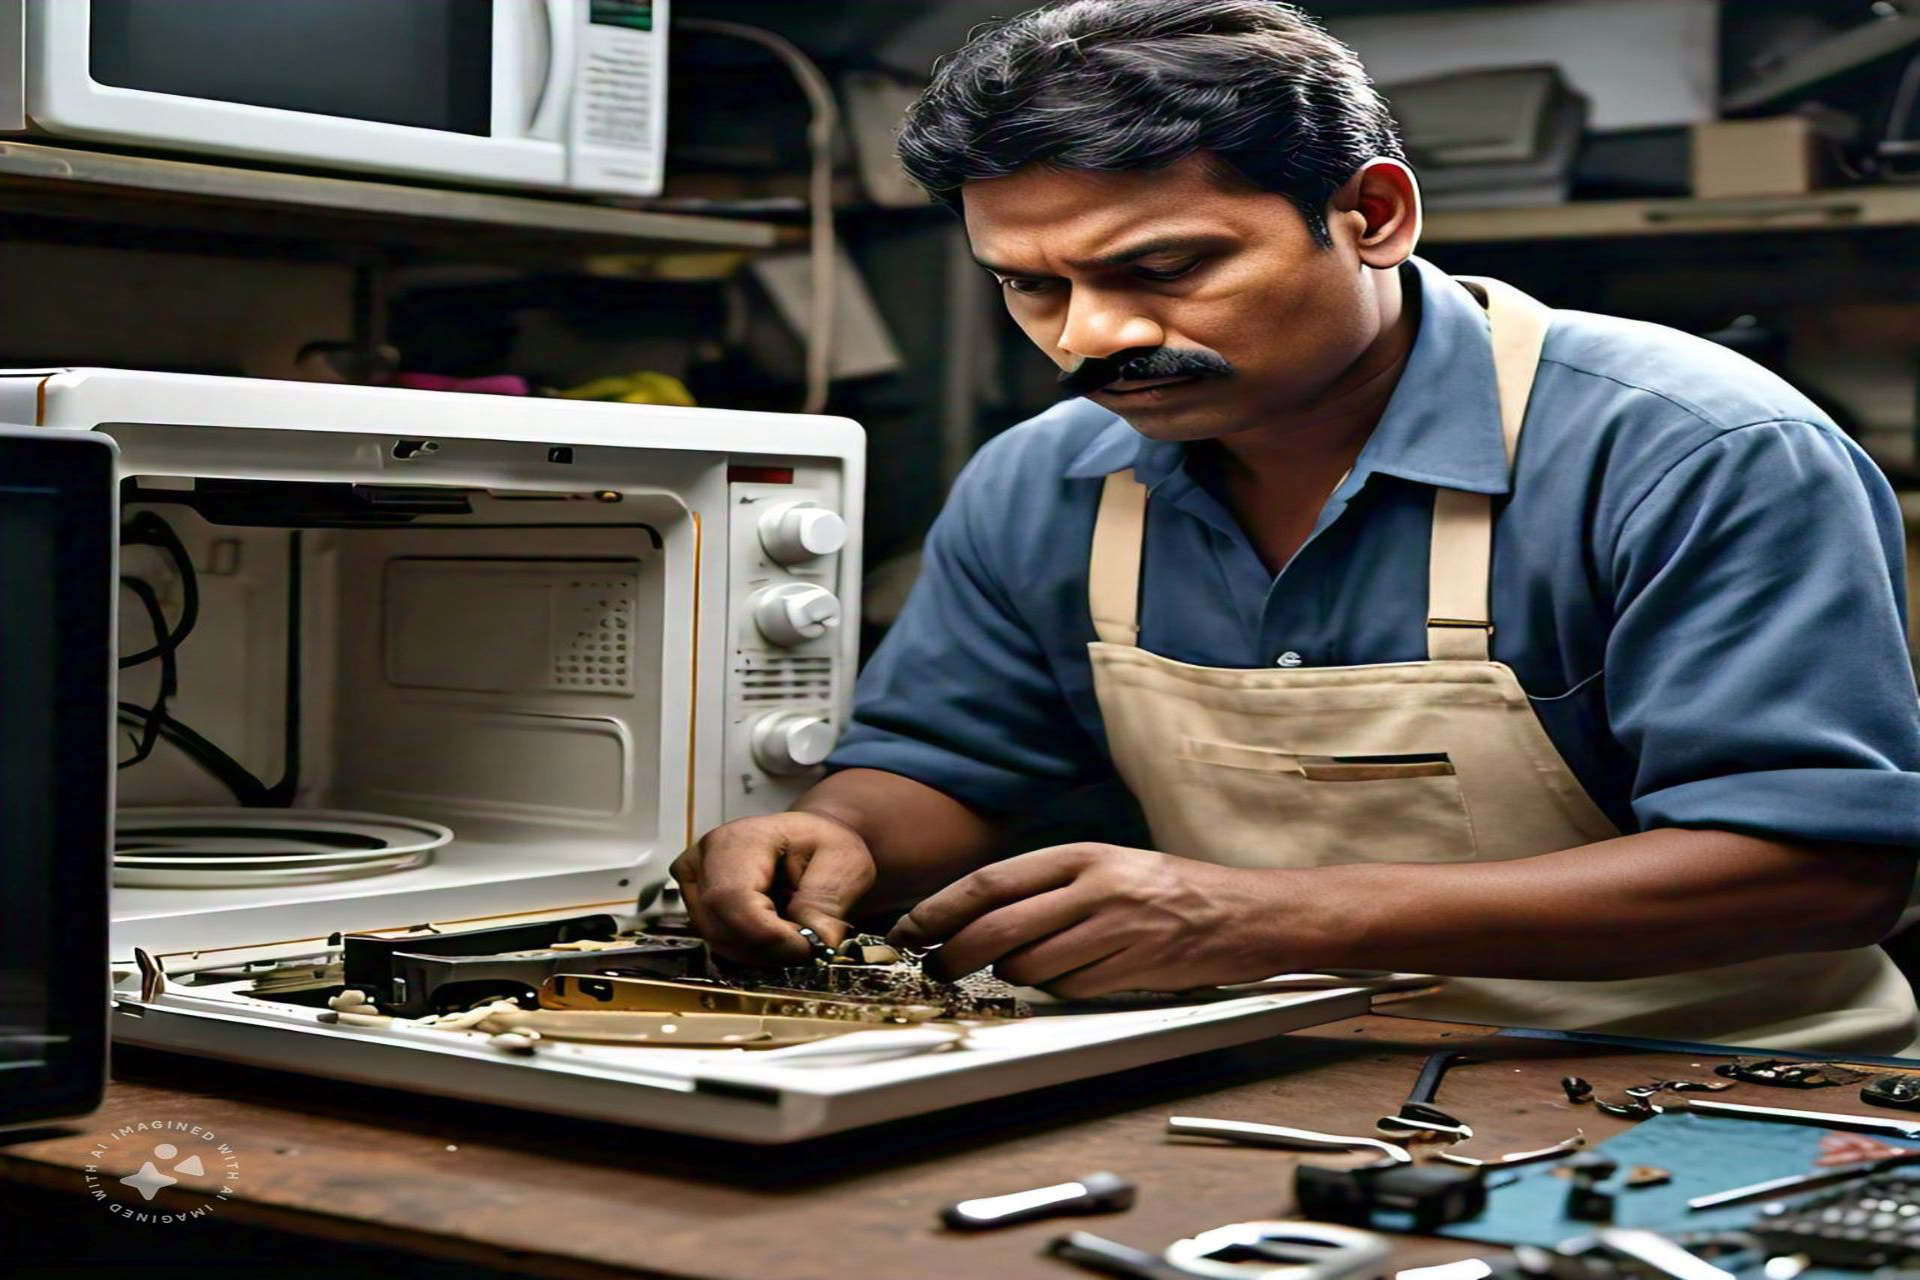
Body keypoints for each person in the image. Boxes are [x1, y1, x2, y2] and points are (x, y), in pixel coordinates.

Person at [674, 0, 1920, 1051]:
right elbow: (948, 764)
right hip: (1270, 1073)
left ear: (1373, 215)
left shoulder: (1694, 450)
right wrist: (836, 834)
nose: (1089, 338)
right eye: (1032, 285)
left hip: (1717, 1078)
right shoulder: (1041, 482)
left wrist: (1266, 915)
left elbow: (1822, 868)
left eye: (1164, 268)